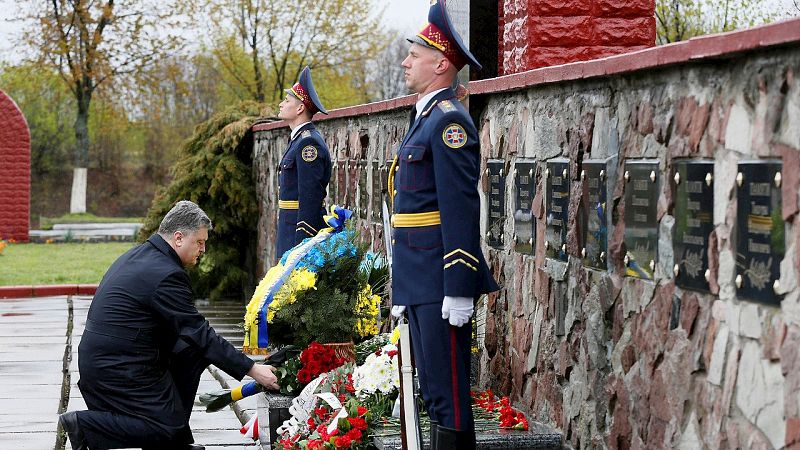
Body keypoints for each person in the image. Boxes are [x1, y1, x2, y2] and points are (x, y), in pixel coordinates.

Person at [58, 200, 279, 450]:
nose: (203, 249)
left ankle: (173, 440)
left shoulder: (145, 255)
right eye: (199, 242)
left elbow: (193, 336)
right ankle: (85, 426)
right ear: (178, 238)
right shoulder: (165, 274)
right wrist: (253, 369)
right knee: (165, 428)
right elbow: (199, 332)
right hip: (115, 372)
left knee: (193, 351)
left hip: (120, 359)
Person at [388, 1, 499, 448]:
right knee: (434, 394)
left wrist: (458, 283)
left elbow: (458, 208)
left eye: (413, 55)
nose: (405, 61)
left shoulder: (450, 122)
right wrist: (402, 288)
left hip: (438, 280)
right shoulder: (425, 119)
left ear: (440, 64)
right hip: (418, 281)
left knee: (448, 396)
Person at [276, 66, 332, 259]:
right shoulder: (298, 139)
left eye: (287, 100)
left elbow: (310, 195)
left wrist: (303, 242)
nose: (282, 104)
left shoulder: (308, 142)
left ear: (300, 108)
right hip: (288, 227)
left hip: (297, 234)